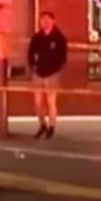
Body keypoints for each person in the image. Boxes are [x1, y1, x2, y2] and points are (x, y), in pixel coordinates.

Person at [27, 10, 69, 140]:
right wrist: (33, 66)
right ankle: (42, 125)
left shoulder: (59, 38)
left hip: (52, 74)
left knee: (51, 101)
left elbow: (62, 57)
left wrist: (54, 69)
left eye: (48, 20)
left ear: (53, 21)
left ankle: (52, 126)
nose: (45, 22)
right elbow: (30, 54)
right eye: (43, 20)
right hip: (38, 73)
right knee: (38, 102)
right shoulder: (37, 38)